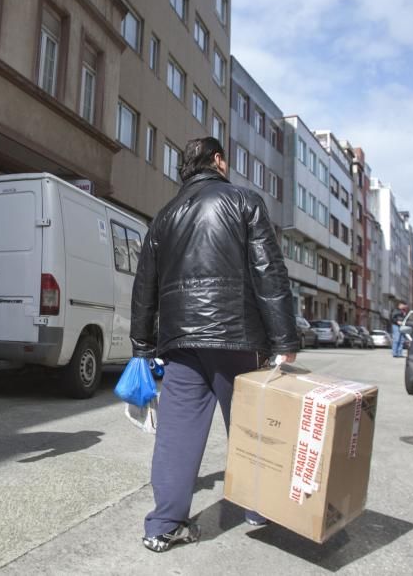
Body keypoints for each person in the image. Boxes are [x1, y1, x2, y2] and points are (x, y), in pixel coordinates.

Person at [130, 137, 299, 553]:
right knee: (250, 426)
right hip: (235, 335)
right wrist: (285, 339)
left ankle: (164, 525)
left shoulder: (164, 217)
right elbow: (268, 272)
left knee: (176, 433)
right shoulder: (244, 201)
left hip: (180, 342)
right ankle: (260, 508)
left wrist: (142, 345)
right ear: (218, 161)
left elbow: (144, 286)